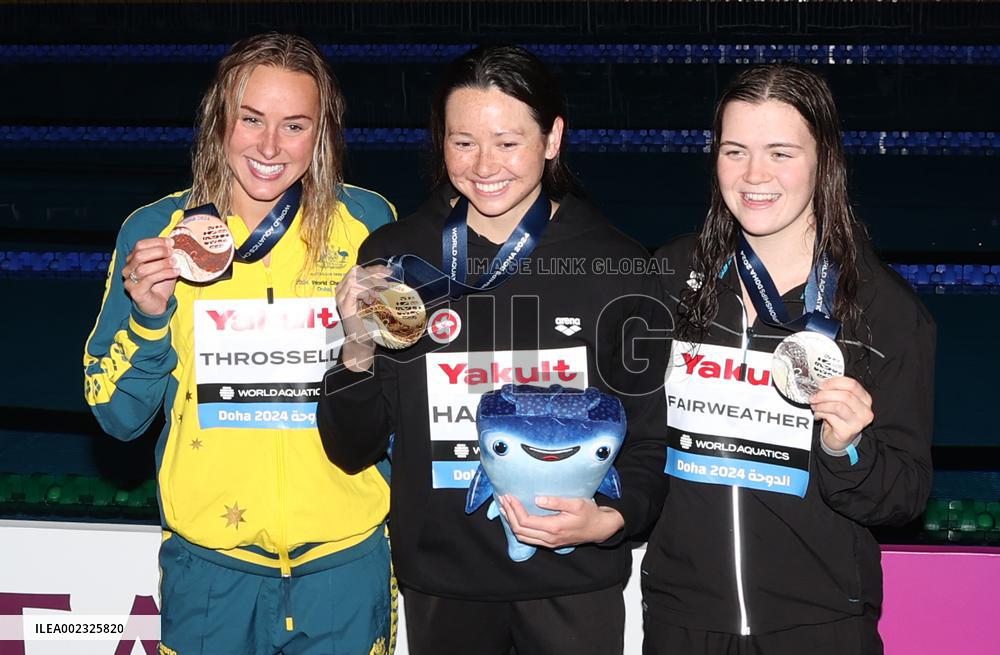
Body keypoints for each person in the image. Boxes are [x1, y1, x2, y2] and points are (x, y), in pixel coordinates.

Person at [317, 44, 668, 655]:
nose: (484, 165)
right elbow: (351, 446)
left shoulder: (616, 266)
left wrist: (613, 520)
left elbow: (649, 436)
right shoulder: (396, 258)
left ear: (553, 139)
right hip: (442, 585)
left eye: (508, 142)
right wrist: (353, 346)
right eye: (463, 142)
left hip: (573, 584)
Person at [83, 33, 396, 655]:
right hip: (209, 571)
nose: (271, 148)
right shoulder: (156, 232)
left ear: (322, 133)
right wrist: (149, 318)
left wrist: (371, 338)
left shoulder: (368, 224)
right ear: (218, 121)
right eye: (251, 120)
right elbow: (116, 416)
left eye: (295, 125)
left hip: (343, 563)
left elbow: (400, 397)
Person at [644, 64, 936, 654]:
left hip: (819, 623)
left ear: (825, 160)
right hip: (683, 617)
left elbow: (905, 494)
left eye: (781, 153)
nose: (754, 176)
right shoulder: (669, 278)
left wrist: (845, 448)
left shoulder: (884, 311)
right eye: (735, 151)